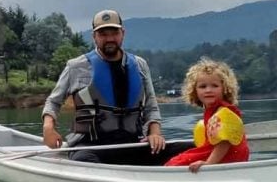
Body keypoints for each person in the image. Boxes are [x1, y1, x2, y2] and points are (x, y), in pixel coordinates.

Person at [41, 9, 187, 165]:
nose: (109, 39)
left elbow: (151, 106)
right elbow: (53, 102)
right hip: (90, 146)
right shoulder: (75, 66)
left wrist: (155, 133)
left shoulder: (139, 65)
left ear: (122, 33)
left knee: (190, 148)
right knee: (85, 161)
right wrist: (48, 127)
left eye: (114, 33)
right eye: (103, 34)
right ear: (94, 37)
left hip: (132, 143)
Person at [164, 58, 250, 172]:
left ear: (225, 89)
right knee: (177, 160)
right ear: (195, 91)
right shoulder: (212, 111)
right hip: (214, 152)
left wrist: (208, 164)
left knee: (175, 164)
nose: (208, 90)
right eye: (203, 86)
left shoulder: (225, 112)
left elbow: (224, 143)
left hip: (226, 156)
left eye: (215, 86)